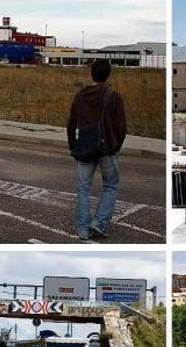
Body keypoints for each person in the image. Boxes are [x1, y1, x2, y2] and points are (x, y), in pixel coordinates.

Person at [67, 59, 127, 241]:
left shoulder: (80, 96)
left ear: (91, 73)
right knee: (109, 186)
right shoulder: (113, 96)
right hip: (106, 149)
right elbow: (122, 127)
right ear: (108, 74)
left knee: (83, 189)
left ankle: (83, 229)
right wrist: (115, 147)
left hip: (84, 148)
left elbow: (71, 125)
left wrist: (73, 147)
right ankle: (99, 223)